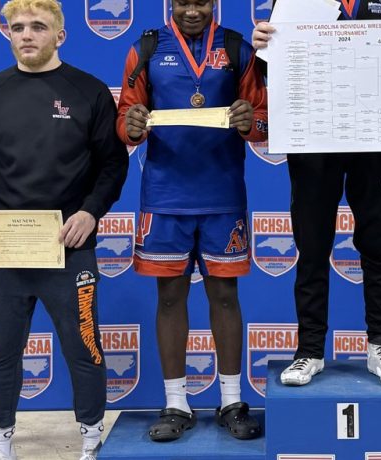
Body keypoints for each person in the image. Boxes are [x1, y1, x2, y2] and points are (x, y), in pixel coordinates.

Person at [251, 0, 381, 389]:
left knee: (380, 246)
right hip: (313, 137)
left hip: (377, 137)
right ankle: (310, 350)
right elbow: (272, 70)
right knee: (312, 248)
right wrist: (263, 47)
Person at [0, 1, 129, 459]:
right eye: (17, 27)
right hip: (5, 249)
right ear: (8, 34)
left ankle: (91, 440)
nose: (27, 35)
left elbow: (113, 164)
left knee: (83, 348)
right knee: (3, 353)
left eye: (38, 26)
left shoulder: (89, 91)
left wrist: (90, 212)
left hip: (68, 247)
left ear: (60, 35)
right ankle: (1, 444)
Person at [116, 0, 268, 443]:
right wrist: (133, 125)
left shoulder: (237, 47)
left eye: (200, 1)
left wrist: (249, 122)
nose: (192, 11)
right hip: (165, 198)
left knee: (225, 296)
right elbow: (124, 120)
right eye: (183, 2)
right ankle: (176, 403)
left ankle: (232, 401)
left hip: (222, 196)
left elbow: (263, 121)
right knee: (169, 299)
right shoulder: (145, 48)